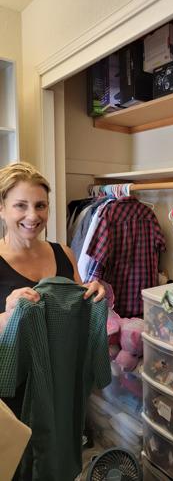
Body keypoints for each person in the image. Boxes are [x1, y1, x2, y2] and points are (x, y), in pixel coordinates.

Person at [0, 161, 105, 421]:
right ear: (1, 209)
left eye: (40, 205)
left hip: (62, 381)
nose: (33, 216)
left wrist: (93, 294)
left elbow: (79, 311)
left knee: (58, 455)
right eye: (20, 205)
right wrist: (8, 314)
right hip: (13, 393)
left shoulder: (64, 254)